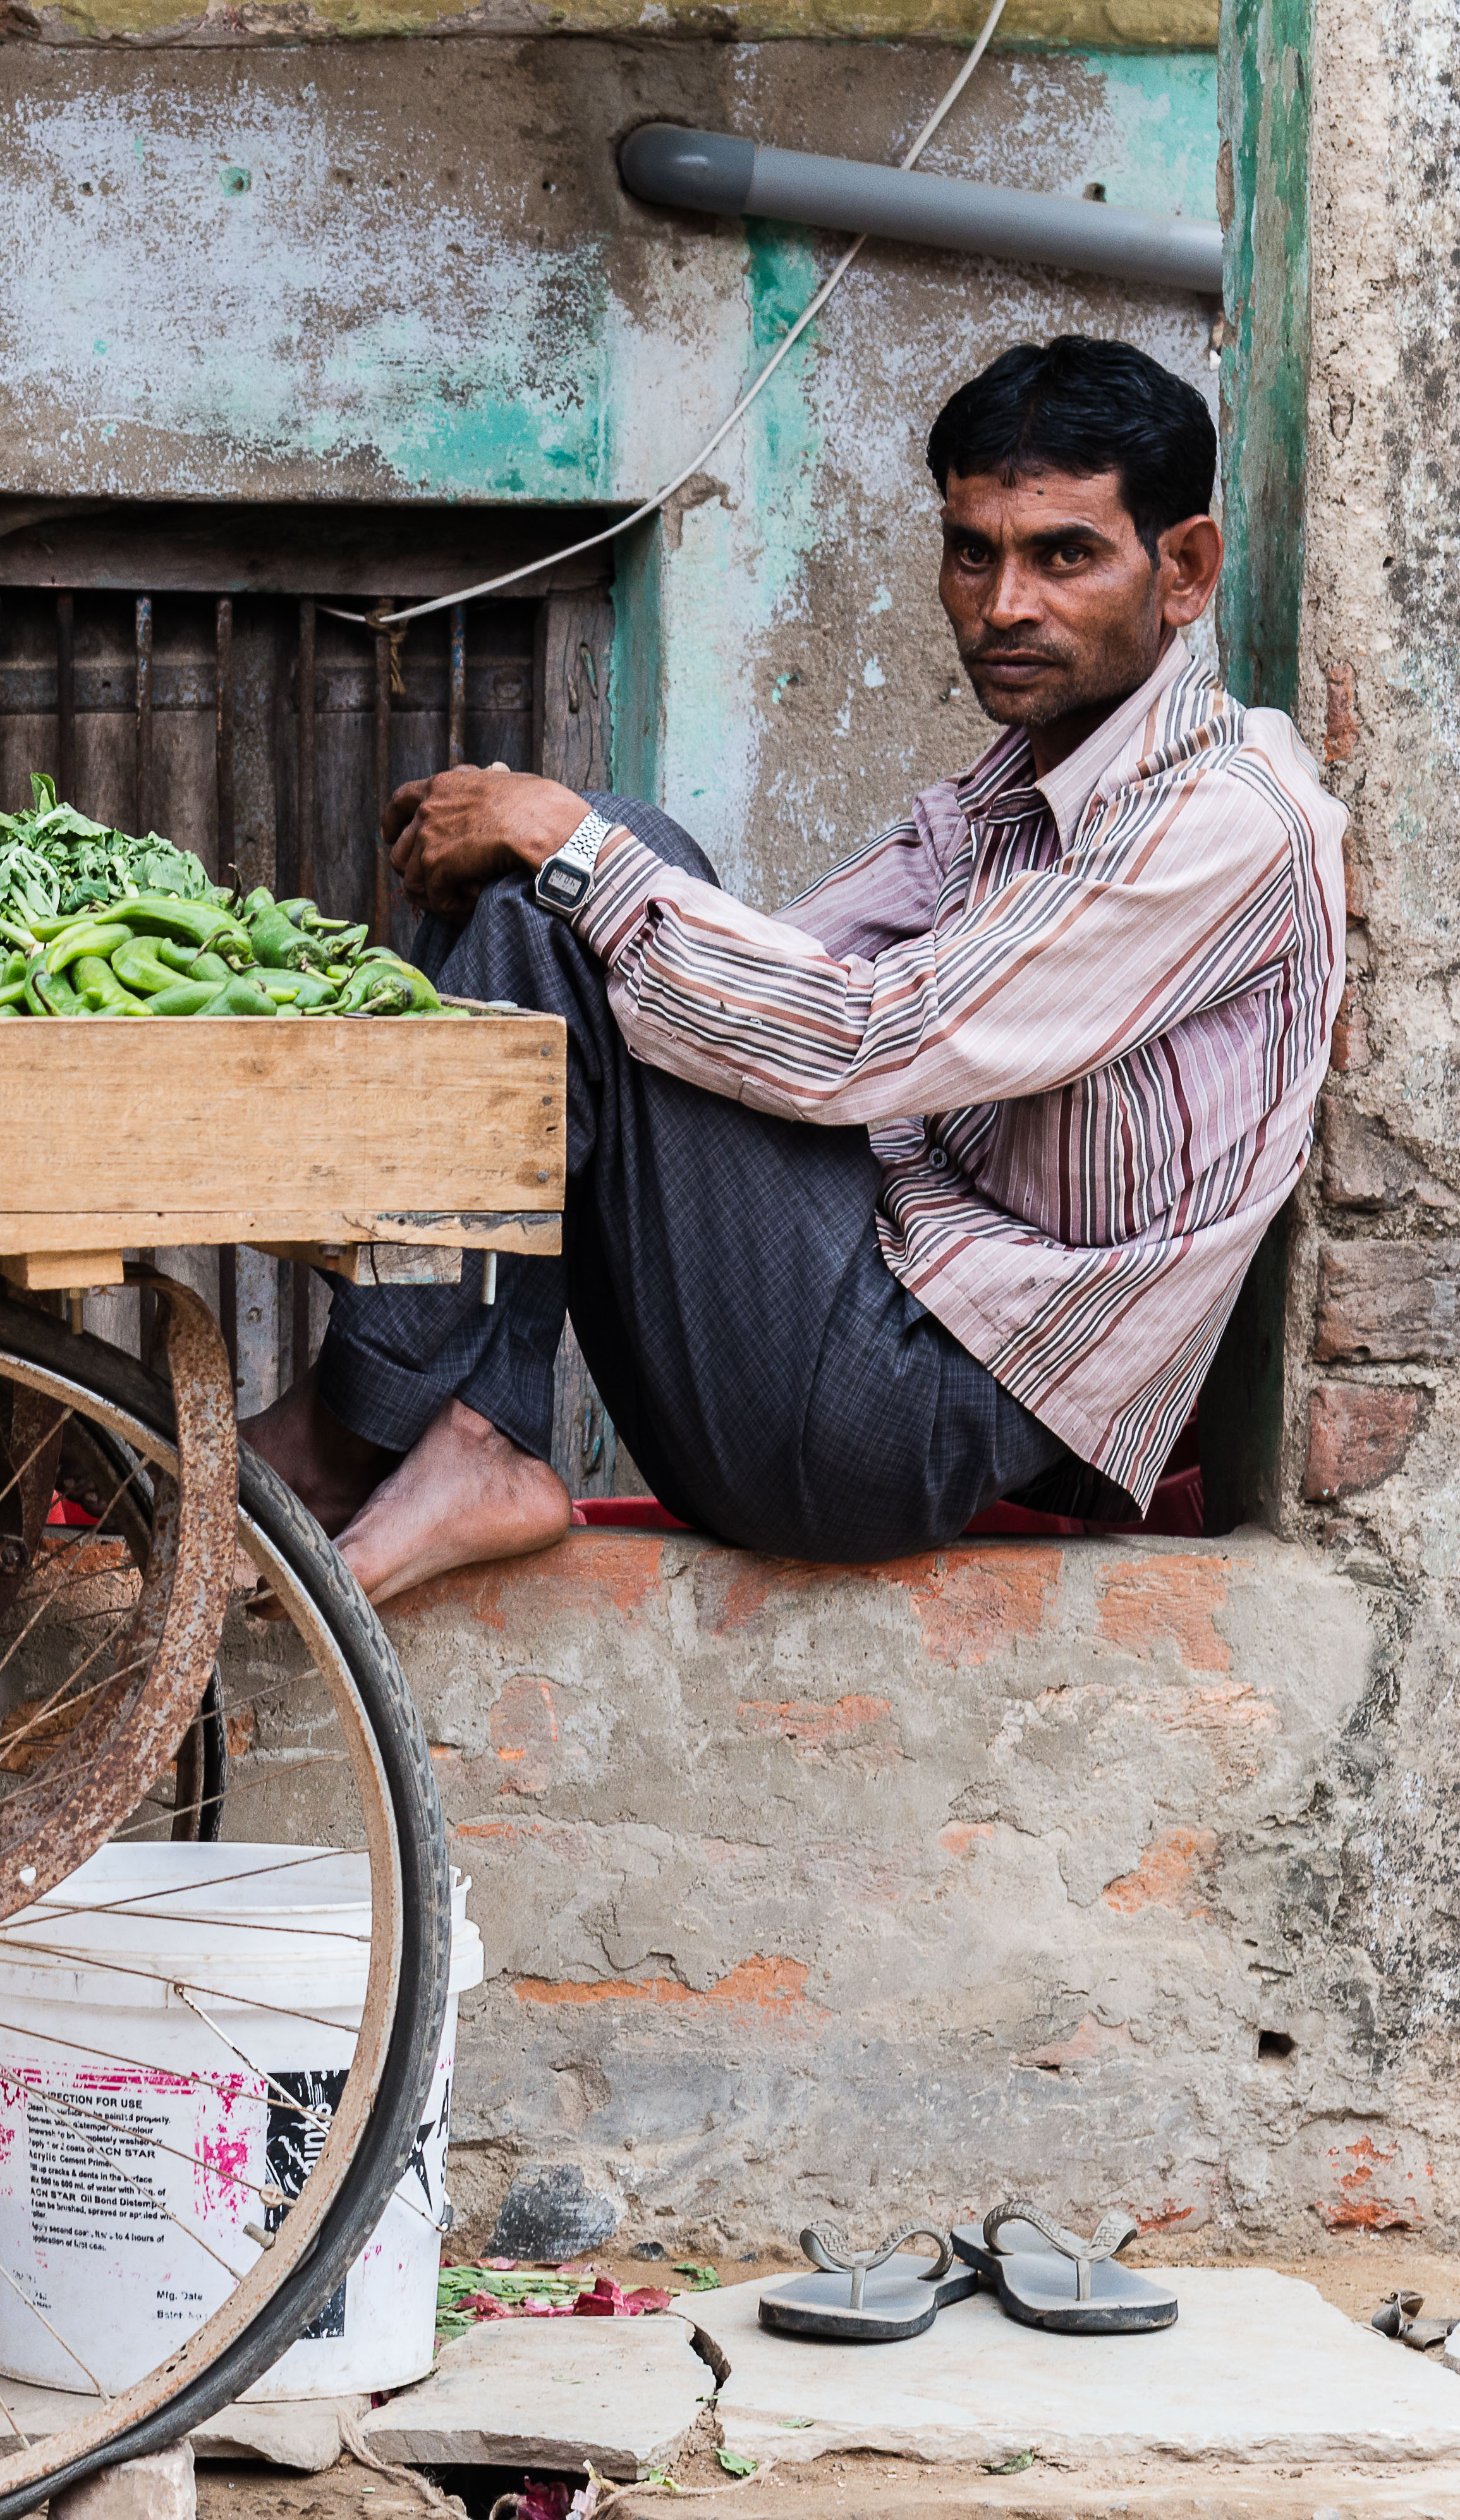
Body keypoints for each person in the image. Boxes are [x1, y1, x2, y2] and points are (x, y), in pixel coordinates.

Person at [250, 334, 1346, 1603]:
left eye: (1062, 555)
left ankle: (353, 1439)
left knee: (586, 874)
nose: (1000, 606)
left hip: (914, 1423)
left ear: (1183, 570)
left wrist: (564, 839)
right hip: (855, 1336)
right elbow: (769, 977)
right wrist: (563, 857)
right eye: (969, 551)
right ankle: (470, 1433)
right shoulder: (1015, 788)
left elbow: (858, 1041)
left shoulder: (1221, 822)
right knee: (580, 902)